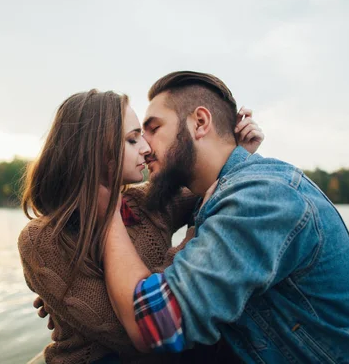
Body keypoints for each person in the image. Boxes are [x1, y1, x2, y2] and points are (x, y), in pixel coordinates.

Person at [102, 71, 349, 363]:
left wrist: (105, 207)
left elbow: (156, 325)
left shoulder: (262, 196)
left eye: (154, 129)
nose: (143, 146)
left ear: (200, 122)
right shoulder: (224, 196)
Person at [18, 89, 263, 364]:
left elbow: (208, 185)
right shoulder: (42, 239)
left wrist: (235, 150)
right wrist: (197, 235)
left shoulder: (142, 202)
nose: (146, 149)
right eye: (132, 140)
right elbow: (136, 336)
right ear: (95, 149)